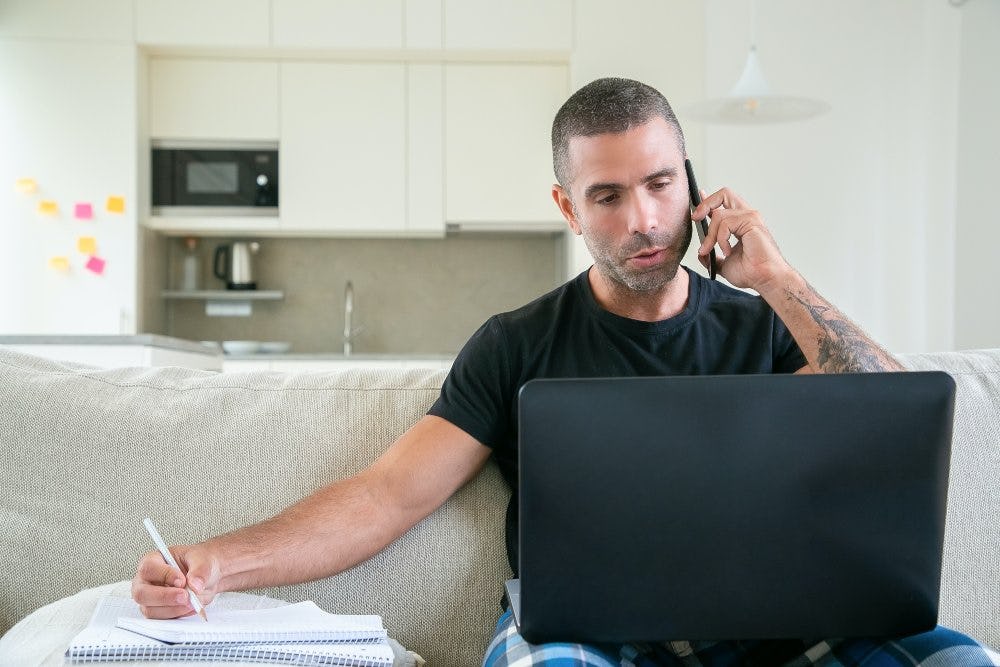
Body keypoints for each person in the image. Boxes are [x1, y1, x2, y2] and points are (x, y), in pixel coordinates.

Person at [133, 78, 1000, 666]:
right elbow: (386, 495)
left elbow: (891, 422)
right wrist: (215, 563)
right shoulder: (517, 343)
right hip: (589, 637)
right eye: (608, 195)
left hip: (783, 629)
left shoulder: (769, 325)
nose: (644, 219)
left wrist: (779, 279)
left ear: (694, 186)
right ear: (567, 206)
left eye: (661, 184)